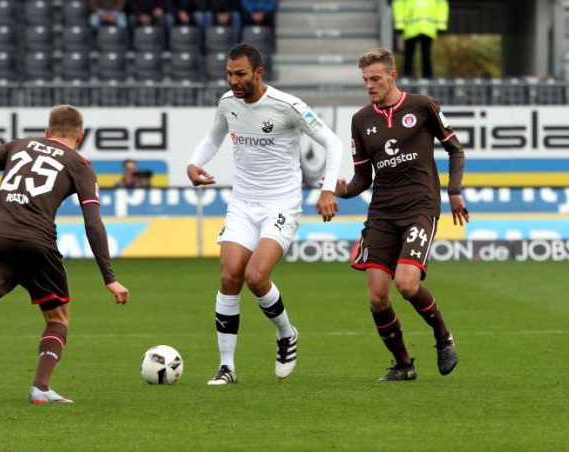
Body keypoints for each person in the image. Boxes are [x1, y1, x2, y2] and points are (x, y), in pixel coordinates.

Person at [0, 105, 130, 405]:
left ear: (47, 132)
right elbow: (92, 222)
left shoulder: (18, 145)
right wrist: (109, 278)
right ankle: (40, 387)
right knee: (57, 317)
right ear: (80, 137)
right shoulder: (80, 164)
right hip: (39, 243)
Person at [187, 43, 343, 385]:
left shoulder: (287, 106)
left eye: (240, 74)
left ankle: (286, 334)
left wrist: (327, 188)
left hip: (280, 204)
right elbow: (213, 139)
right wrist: (194, 163)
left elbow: (332, 142)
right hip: (242, 204)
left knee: (256, 276)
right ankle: (226, 367)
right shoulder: (228, 104)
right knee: (230, 276)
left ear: (259, 72)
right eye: (229, 74)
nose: (233, 81)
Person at [335, 47, 468, 381]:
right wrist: (342, 190)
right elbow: (363, 177)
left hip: (420, 207)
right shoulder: (361, 120)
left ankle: (443, 335)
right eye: (365, 80)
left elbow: (455, 150)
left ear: (392, 76)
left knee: (407, 284)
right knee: (378, 296)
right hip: (381, 213)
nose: (369, 85)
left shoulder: (422, 106)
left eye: (375, 78)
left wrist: (453, 192)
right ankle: (404, 365)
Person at [392, 0, 449, 78]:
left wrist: (441, 24)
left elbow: (442, 4)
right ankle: (408, 76)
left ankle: (424, 77)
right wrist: (399, 24)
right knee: (410, 55)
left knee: (425, 55)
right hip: (413, 27)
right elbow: (398, 4)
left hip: (425, 27)